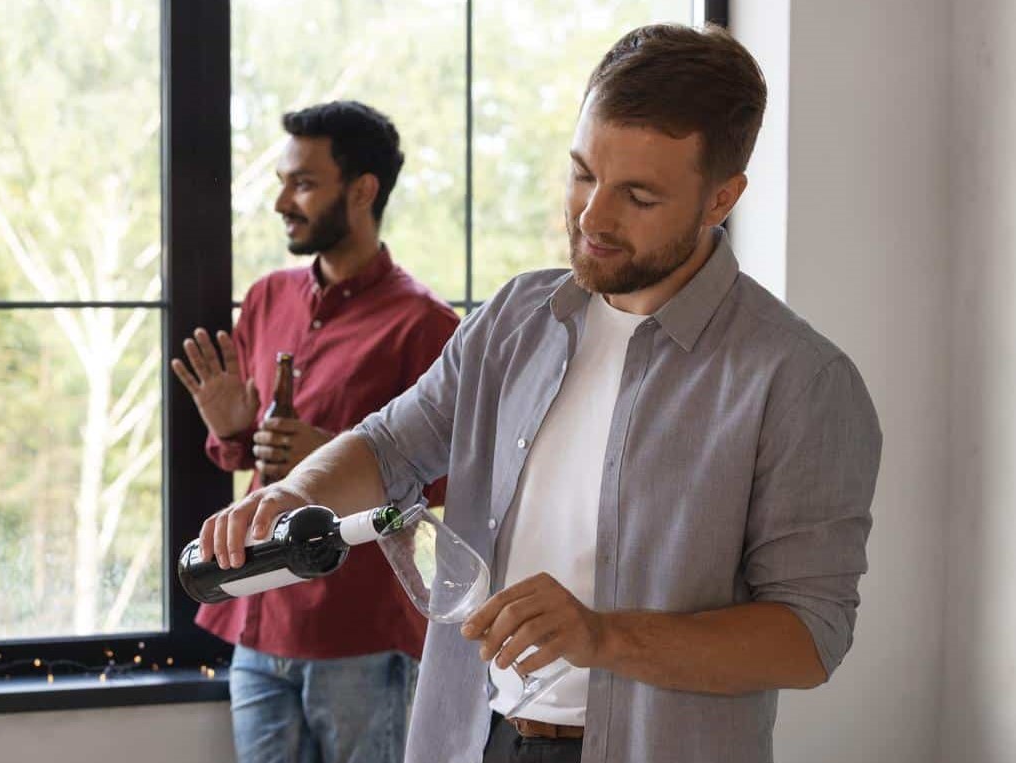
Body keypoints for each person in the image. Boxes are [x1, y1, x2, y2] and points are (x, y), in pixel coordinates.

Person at [197, 25, 882, 763]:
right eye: (583, 174)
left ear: (722, 197)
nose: (592, 217)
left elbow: (810, 636)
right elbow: (390, 445)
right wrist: (295, 491)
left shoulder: (799, 380)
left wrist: (602, 636)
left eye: (638, 196)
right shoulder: (514, 320)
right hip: (475, 738)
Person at [171, 101, 459, 763]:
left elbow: (453, 480)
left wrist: (335, 453)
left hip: (358, 636)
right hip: (255, 620)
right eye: (283, 182)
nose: (281, 203)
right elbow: (248, 457)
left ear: (362, 191)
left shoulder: (426, 325)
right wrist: (233, 432)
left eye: (302, 184)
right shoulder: (266, 299)